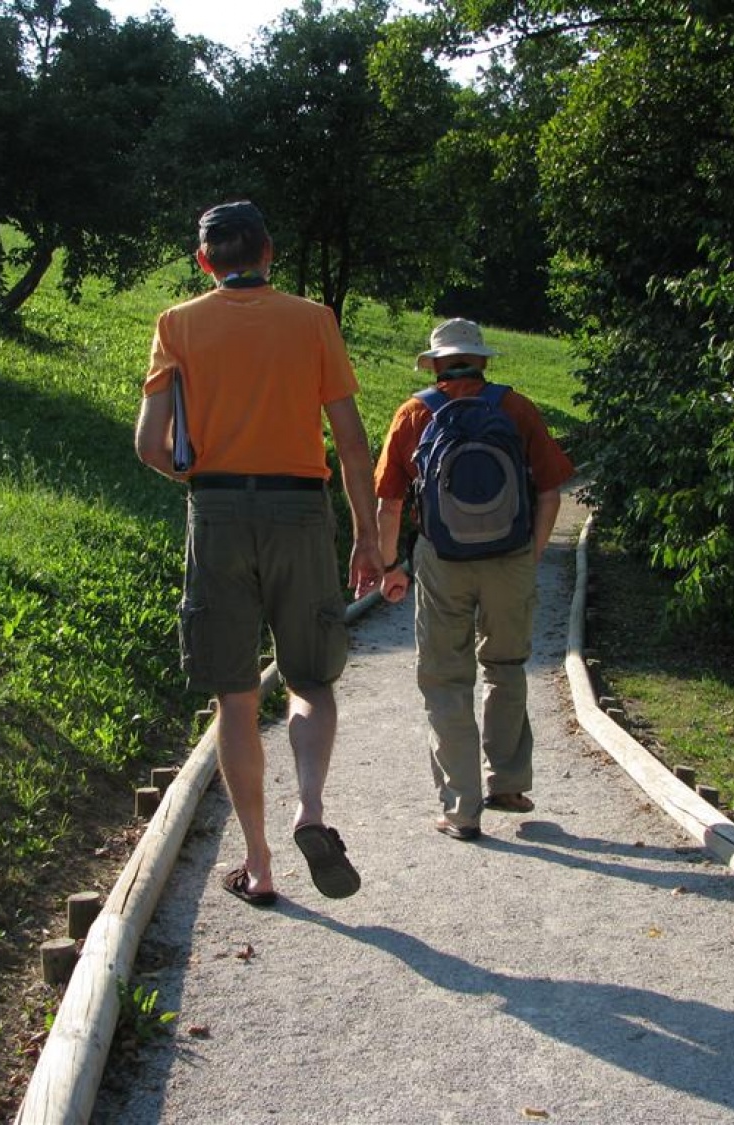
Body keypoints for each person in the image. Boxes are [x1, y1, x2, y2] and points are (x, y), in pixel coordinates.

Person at [134, 200, 383, 906]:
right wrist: (366, 533)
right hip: (301, 510)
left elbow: (151, 445)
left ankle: (260, 864)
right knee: (310, 679)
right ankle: (310, 809)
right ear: (270, 251)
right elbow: (353, 440)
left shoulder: (176, 324)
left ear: (203, 261)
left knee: (235, 698)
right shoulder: (313, 321)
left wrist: (202, 478)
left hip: (216, 510)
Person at [374, 318, 575, 841]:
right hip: (509, 558)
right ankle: (507, 782)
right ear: (483, 361)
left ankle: (462, 810)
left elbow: (389, 500)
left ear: (436, 364)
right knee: (506, 665)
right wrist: (530, 555)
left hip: (441, 559)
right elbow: (551, 490)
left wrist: (391, 565)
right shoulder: (516, 408)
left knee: (445, 679)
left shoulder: (415, 413)